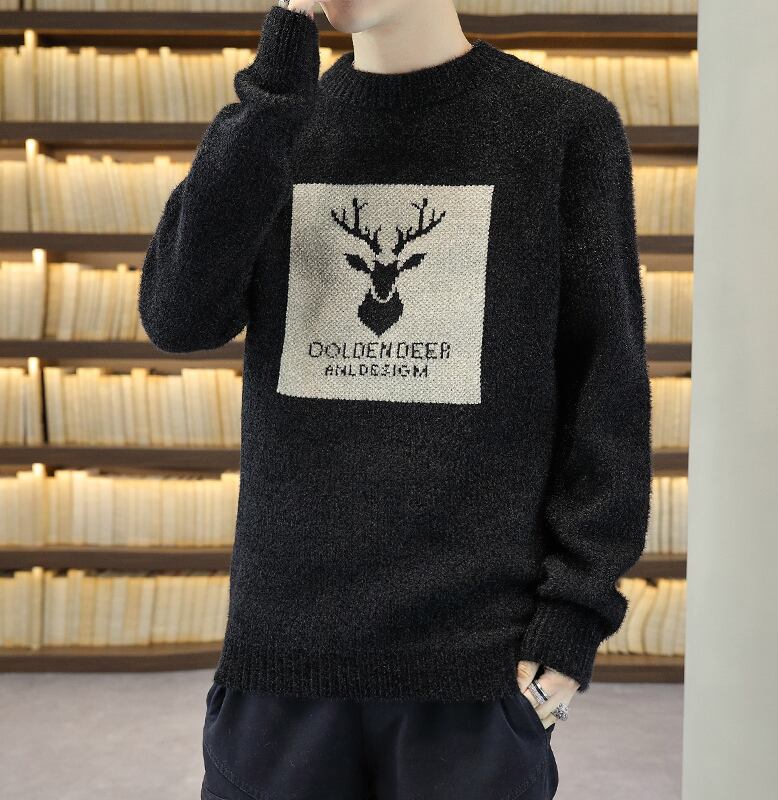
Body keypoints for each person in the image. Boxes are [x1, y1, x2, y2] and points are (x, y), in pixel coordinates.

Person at [138, 1, 653, 798]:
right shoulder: (275, 123)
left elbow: (606, 388)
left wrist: (570, 628)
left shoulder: (561, 127)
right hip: (282, 657)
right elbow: (179, 318)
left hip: (476, 667)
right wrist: (274, 95)